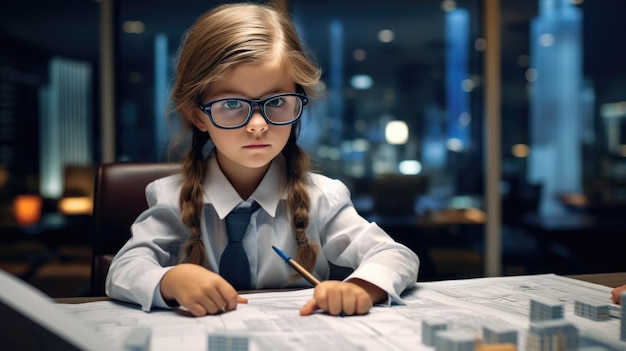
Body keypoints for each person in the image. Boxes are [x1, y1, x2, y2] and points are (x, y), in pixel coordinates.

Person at [105, 2, 420, 317]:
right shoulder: (170, 196)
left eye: (278, 101)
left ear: (300, 105)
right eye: (231, 103)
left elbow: (394, 254)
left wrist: (360, 288)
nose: (258, 125)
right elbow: (124, 269)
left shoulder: (323, 198)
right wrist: (168, 279)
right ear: (197, 116)